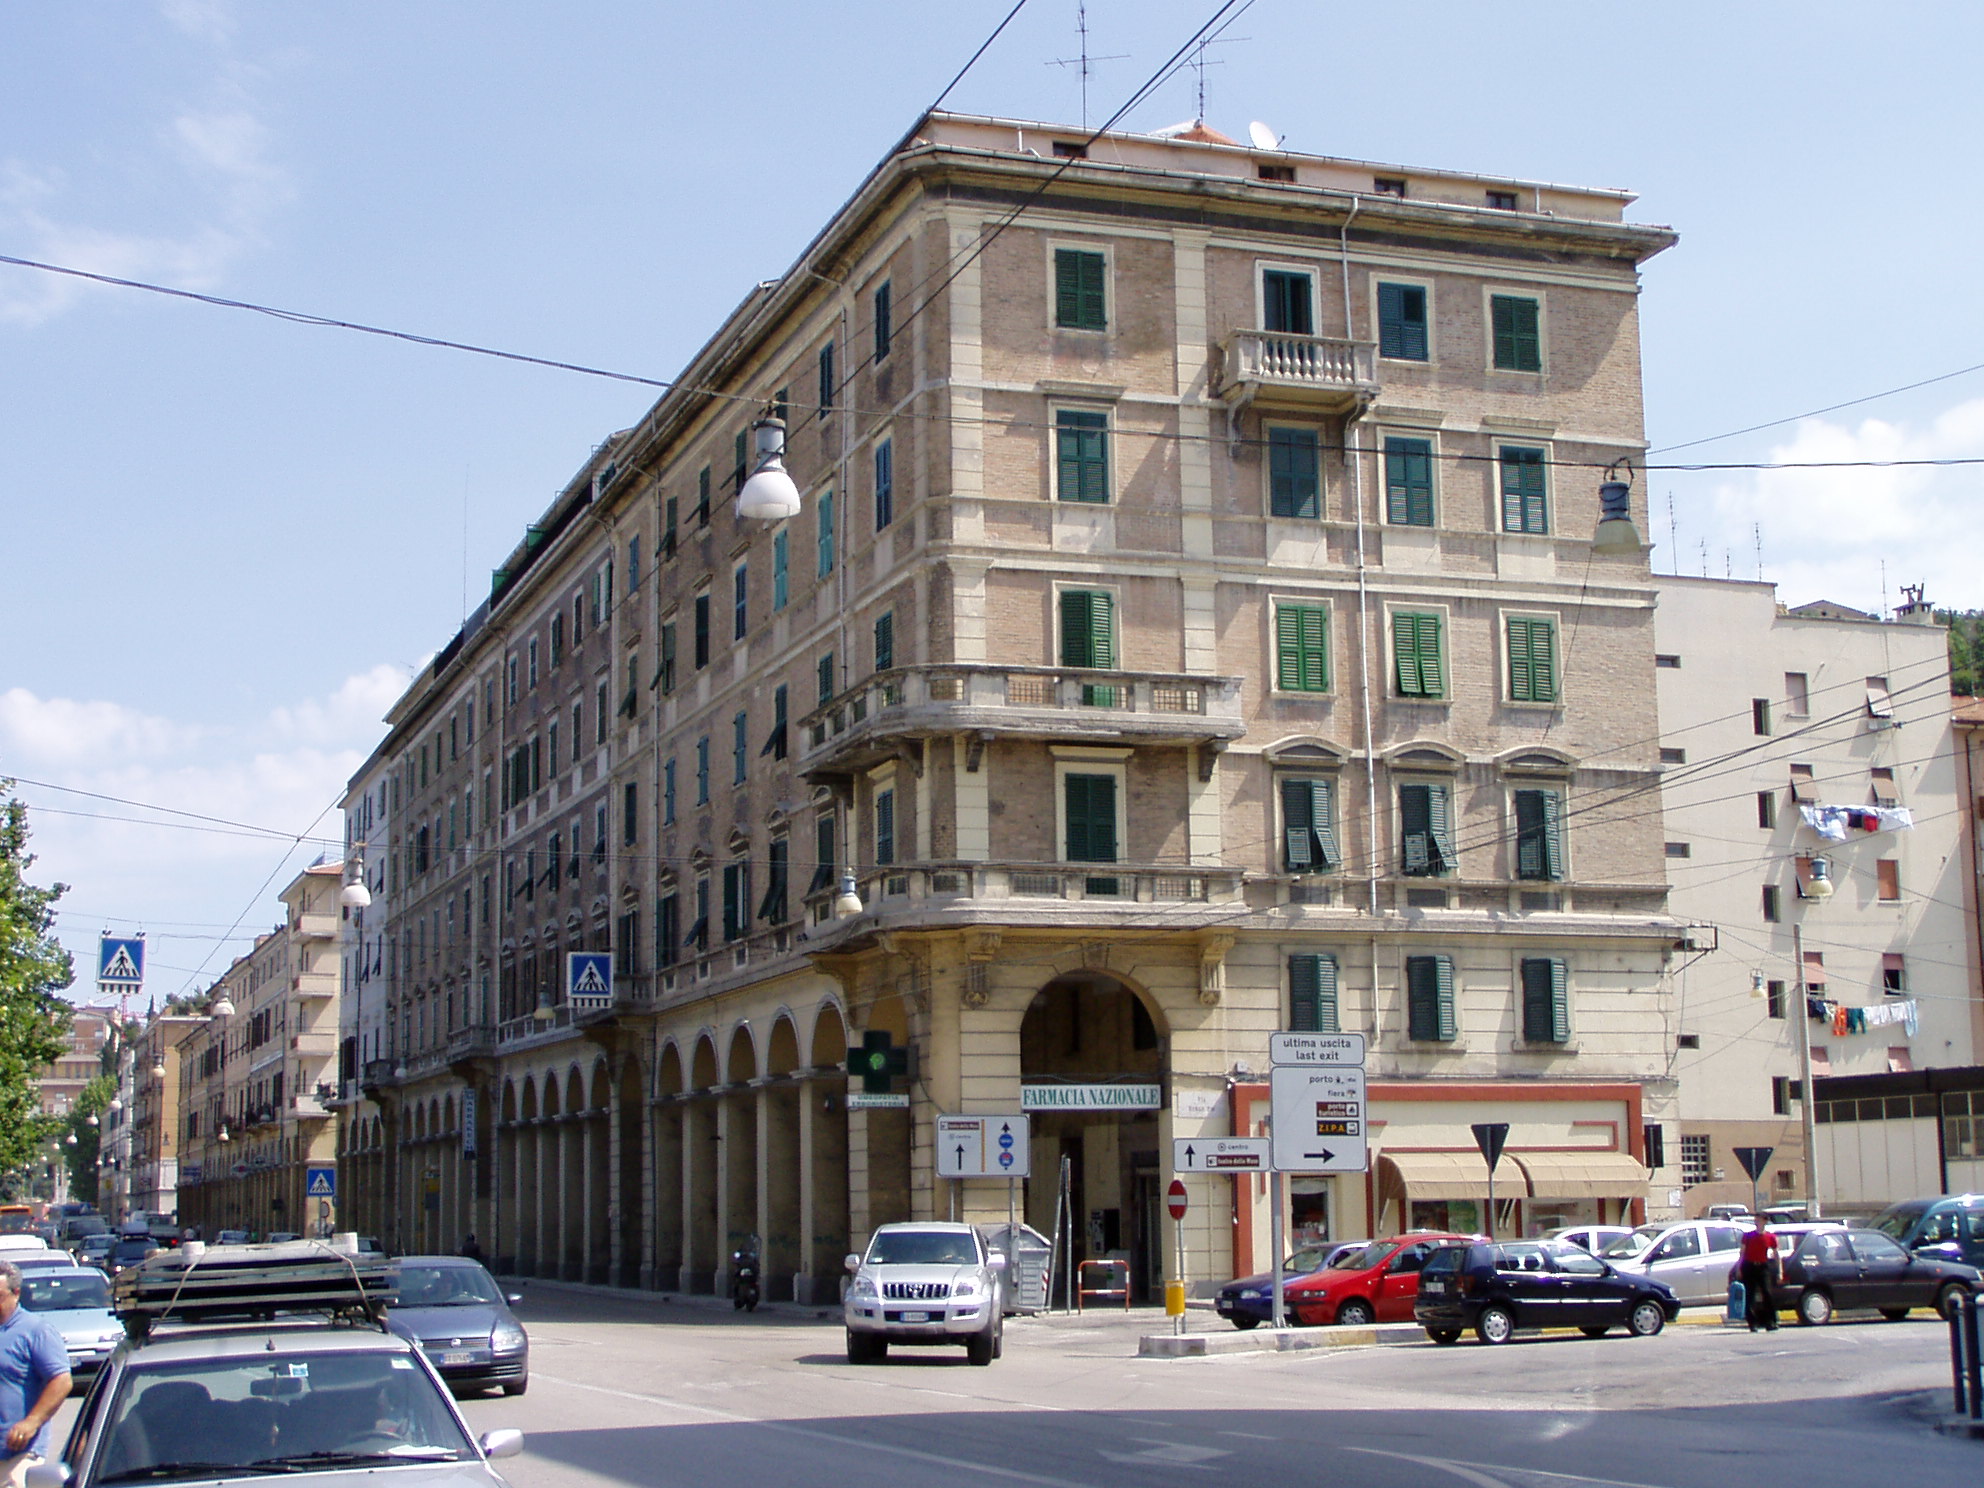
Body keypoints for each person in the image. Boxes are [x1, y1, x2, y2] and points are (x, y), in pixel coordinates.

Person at [0, 1259, 72, 1488]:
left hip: (18, 1454)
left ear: (16, 1293)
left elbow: (61, 1380)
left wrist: (32, 1421)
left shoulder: (35, 1331)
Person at [1739, 1213, 1778, 1332]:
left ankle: (1770, 1322)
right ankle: (1752, 1323)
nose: (1756, 1221)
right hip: (1749, 1266)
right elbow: (1742, 1253)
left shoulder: (1770, 1237)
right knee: (1750, 1295)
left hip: (1763, 1266)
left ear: (1765, 1221)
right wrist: (1739, 1268)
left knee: (1767, 1293)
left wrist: (1779, 1271)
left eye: (1759, 1219)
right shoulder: (1748, 1236)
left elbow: (1776, 1255)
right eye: (1756, 1219)